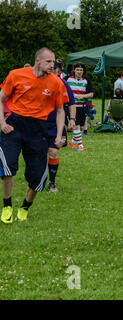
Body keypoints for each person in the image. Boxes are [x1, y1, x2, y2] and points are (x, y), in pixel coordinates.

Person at [0, 48, 68, 223]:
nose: (52, 65)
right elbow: (1, 99)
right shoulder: (16, 75)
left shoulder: (56, 83)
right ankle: (7, 205)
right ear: (38, 60)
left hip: (38, 128)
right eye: (48, 62)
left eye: (53, 62)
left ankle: (24, 208)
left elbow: (60, 110)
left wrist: (59, 135)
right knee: (7, 166)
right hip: (14, 125)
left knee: (37, 176)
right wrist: (3, 123)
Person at [47, 61, 77, 192]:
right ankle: (38, 180)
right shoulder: (38, 82)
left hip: (55, 124)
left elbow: (71, 103)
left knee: (53, 151)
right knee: (38, 153)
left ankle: (52, 182)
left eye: (54, 69)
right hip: (38, 123)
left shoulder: (63, 84)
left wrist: (72, 119)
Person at [67, 62, 94, 151]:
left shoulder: (86, 80)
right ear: (74, 70)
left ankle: (73, 142)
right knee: (76, 125)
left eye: (81, 70)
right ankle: (81, 146)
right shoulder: (68, 79)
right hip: (72, 107)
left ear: (83, 71)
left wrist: (83, 96)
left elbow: (91, 94)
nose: (79, 72)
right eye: (77, 70)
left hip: (82, 106)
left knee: (81, 127)